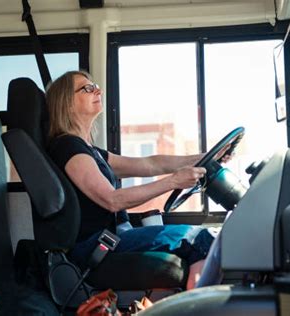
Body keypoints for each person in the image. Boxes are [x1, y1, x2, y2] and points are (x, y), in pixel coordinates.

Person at [46, 70, 231, 290]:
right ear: (66, 103)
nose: (98, 90)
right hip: (96, 245)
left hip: (113, 236)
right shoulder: (68, 147)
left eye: (95, 86)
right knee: (202, 240)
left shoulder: (91, 151)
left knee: (195, 245)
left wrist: (204, 158)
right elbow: (113, 200)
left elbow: (151, 164)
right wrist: (173, 182)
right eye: (87, 88)